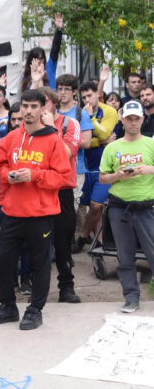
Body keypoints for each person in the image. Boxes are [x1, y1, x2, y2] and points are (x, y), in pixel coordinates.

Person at [0, 89, 72, 330]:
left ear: (44, 109)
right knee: (3, 261)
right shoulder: (9, 139)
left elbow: (64, 178)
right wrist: (7, 176)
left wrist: (34, 175)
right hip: (12, 212)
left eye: (34, 106)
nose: (28, 111)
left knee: (39, 264)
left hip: (41, 215)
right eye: (25, 106)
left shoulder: (54, 140)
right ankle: (8, 306)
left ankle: (35, 310)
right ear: (19, 108)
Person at [98, 100, 154, 313]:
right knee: (125, 255)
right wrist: (118, 175)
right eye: (129, 118)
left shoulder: (151, 143)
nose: (132, 122)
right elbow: (103, 178)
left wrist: (149, 169)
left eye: (136, 118)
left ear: (142, 119)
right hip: (119, 208)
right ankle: (131, 297)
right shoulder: (113, 147)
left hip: (147, 207)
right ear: (122, 119)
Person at [37, 86, 81, 303]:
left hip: (62, 191)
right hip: (39, 191)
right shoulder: (32, 127)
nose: (40, 106)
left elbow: (66, 153)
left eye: (44, 101)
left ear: (53, 102)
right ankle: (39, 290)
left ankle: (66, 287)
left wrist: (49, 129)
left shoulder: (68, 124)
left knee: (63, 242)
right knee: (39, 243)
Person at [75, 81, 118, 251]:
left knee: (96, 205)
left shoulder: (109, 111)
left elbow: (104, 133)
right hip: (85, 166)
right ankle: (99, 242)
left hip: (105, 167)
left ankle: (83, 237)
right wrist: (97, 142)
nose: (87, 99)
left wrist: (91, 117)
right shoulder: (79, 112)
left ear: (97, 95)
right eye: (83, 96)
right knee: (91, 207)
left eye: (89, 95)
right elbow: (82, 141)